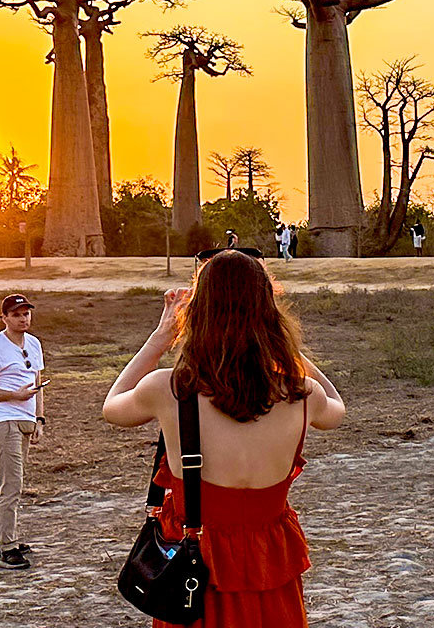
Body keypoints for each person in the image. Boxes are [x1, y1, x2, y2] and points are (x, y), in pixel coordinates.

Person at [101, 251, 347, 628]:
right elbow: (337, 408)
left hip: (195, 573)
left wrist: (160, 338)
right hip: (270, 567)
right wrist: (287, 349)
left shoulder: (168, 389)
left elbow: (112, 408)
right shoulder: (303, 394)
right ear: (269, 312)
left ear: (197, 313)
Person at [0, 294, 47, 569]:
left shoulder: (34, 343)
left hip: (26, 420)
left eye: (26, 313)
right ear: (4, 318)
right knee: (12, 484)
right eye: (16, 314)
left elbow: (38, 382)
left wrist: (40, 418)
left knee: (5, 482)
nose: (23, 318)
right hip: (3, 420)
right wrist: (13, 395)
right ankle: (9, 548)